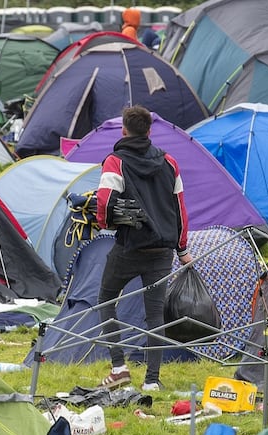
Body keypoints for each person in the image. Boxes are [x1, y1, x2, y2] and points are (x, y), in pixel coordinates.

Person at [95, 105, 192, 392]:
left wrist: (104, 223)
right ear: (150, 131)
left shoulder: (115, 162)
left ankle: (119, 367)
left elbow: (104, 201)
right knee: (154, 315)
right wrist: (182, 248)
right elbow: (180, 210)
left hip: (128, 248)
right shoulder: (170, 162)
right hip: (161, 252)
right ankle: (152, 380)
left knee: (105, 300)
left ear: (124, 130)